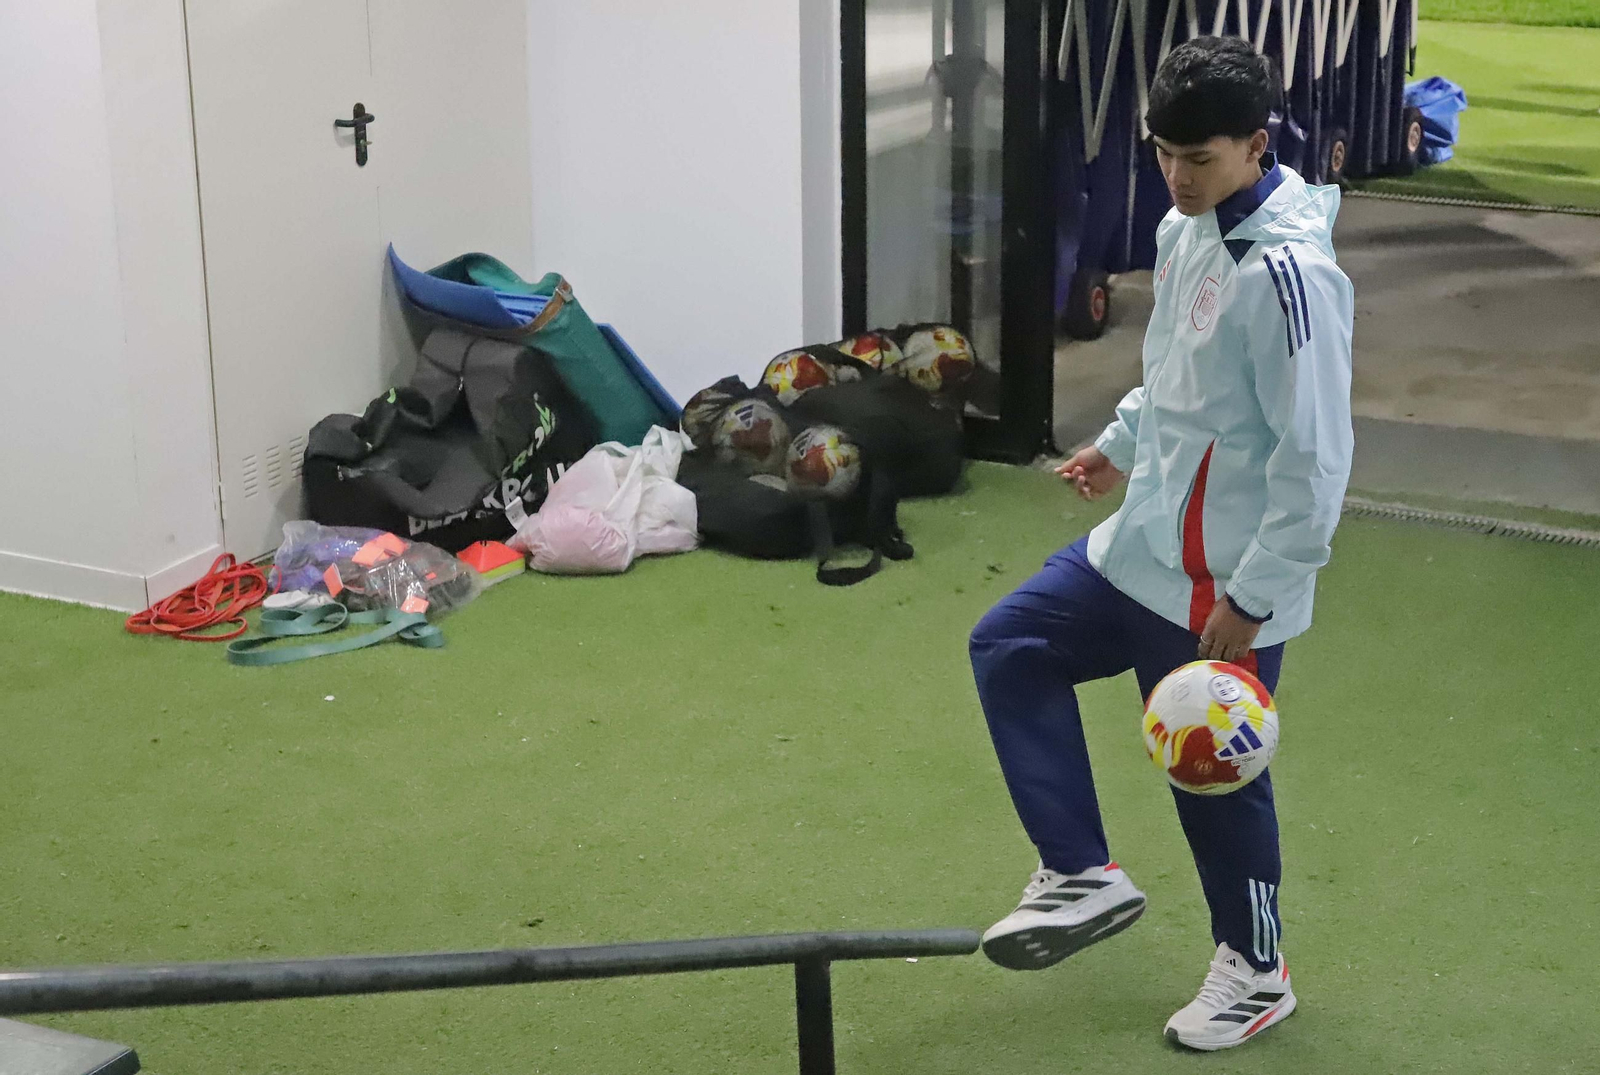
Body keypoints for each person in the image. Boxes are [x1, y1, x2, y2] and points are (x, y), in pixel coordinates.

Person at [968, 36, 1354, 1051]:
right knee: (1009, 644)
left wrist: (1256, 595)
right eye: (1162, 154)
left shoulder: (1289, 277)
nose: (1176, 177)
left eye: (1200, 159)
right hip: (1135, 547)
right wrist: (1120, 443)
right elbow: (1180, 372)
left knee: (1212, 780)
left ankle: (1256, 971)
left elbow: (1315, 459)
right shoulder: (1186, 230)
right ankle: (1080, 873)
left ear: (1257, 145)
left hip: (1219, 586)